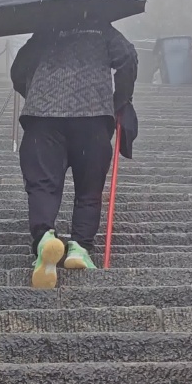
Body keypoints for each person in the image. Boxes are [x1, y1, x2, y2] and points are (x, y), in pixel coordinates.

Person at [11, 19, 138, 289]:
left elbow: (18, 69)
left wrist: (37, 95)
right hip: (92, 119)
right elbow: (128, 57)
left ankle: (45, 239)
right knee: (88, 190)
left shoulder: (46, 29)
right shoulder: (102, 28)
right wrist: (120, 99)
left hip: (42, 120)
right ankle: (79, 248)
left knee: (42, 185)